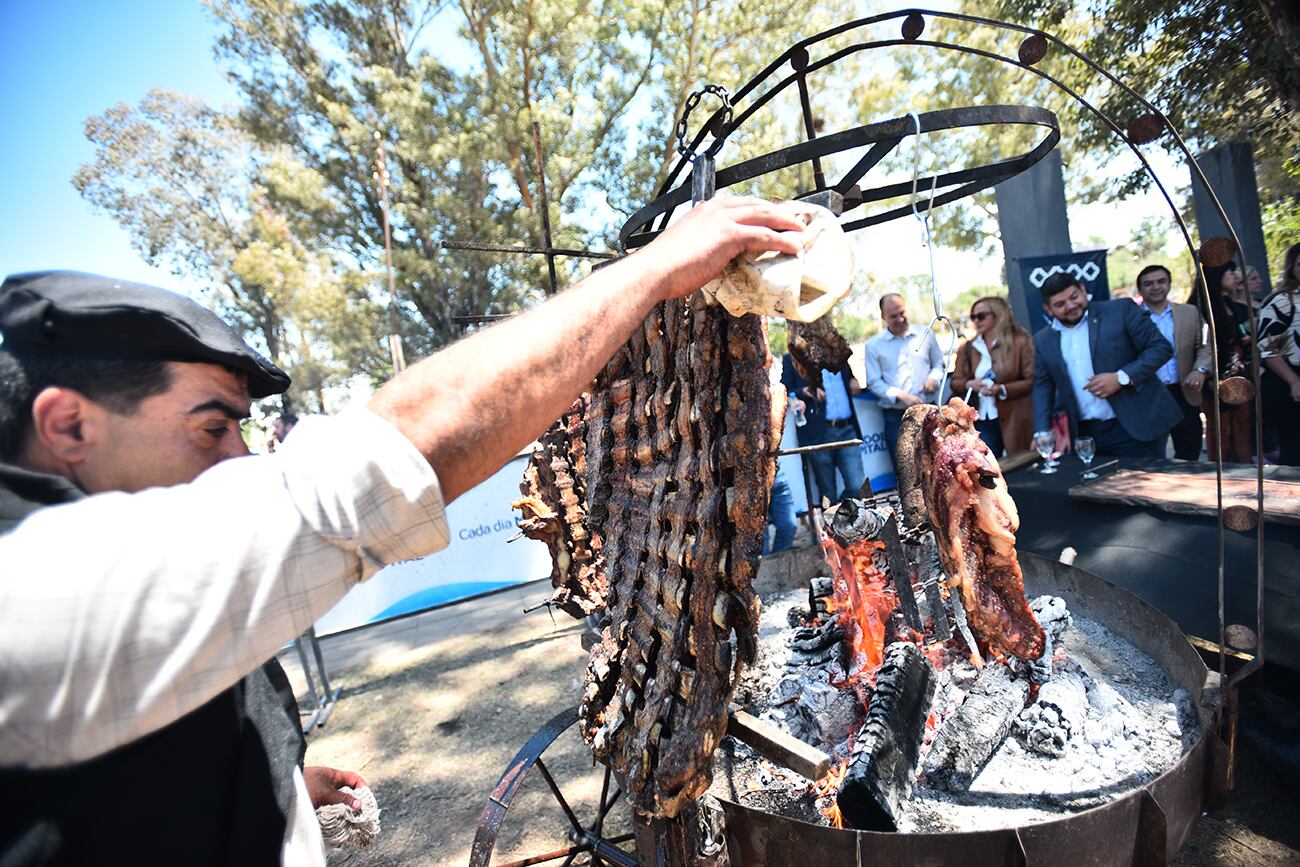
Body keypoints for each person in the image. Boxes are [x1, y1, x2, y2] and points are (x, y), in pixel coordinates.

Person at [0, 195, 804, 865]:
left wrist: (277, 779)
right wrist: (657, 268)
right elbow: (377, 469)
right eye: (211, 427)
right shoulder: (28, 590)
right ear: (68, 425)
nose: (236, 461)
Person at [1031, 272, 1181, 458]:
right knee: (1095, 487)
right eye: (1060, 304)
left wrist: (1121, 377)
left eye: (1074, 297)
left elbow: (1160, 348)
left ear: (1083, 290)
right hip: (1086, 434)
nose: (1071, 306)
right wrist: (1041, 430)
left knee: (1144, 486)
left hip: (1134, 425)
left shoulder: (1120, 310)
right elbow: (1042, 386)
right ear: (1048, 309)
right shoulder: (1042, 340)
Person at [1134, 264, 1213, 460]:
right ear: (1141, 289)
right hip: (1149, 394)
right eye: (1148, 284)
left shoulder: (1190, 312)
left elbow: (1206, 346)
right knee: (1151, 454)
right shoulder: (1131, 317)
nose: (1155, 287)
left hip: (1184, 390)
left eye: (1161, 281)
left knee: (1190, 448)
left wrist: (1200, 370)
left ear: (1169, 284)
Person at [863, 292, 945, 463]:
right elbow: (873, 382)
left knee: (937, 464)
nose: (900, 319)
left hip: (929, 411)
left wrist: (933, 379)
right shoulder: (873, 345)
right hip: (896, 417)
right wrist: (900, 395)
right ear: (883, 316)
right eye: (894, 316)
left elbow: (938, 364)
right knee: (905, 469)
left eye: (902, 313)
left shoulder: (926, 333)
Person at [950, 295, 1034, 456]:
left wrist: (1001, 389)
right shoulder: (968, 348)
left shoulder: (1020, 341)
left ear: (999, 314)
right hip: (981, 418)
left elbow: (1031, 380)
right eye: (973, 317)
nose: (976, 321)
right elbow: (956, 382)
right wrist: (970, 384)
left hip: (1015, 417)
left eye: (981, 316)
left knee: (1021, 465)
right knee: (988, 469)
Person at [781, 353, 866, 505]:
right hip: (818, 433)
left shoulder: (835, 351)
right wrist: (802, 392)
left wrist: (853, 381)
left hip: (846, 428)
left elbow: (849, 378)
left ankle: (849, 521)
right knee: (828, 494)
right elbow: (783, 390)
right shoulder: (793, 358)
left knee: (857, 486)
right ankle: (833, 526)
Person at [1193, 260, 1254, 464]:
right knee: (1219, 427)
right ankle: (1220, 470)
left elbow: (1236, 334)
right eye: (1230, 272)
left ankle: (1245, 468)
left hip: (1238, 372)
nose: (1234, 276)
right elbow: (1202, 344)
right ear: (1216, 275)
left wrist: (1242, 340)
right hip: (1214, 377)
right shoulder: (1200, 307)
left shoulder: (1229, 303)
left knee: (1242, 423)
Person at [1259, 242, 1300, 465]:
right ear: (1291, 269)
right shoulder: (1283, 302)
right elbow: (1267, 347)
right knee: (1294, 450)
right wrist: (1293, 381)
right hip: (1289, 382)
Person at [764, 466, 798, 554]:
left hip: (775, 475)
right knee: (761, 539)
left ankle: (777, 564)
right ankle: (765, 565)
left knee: (789, 526)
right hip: (751, 482)